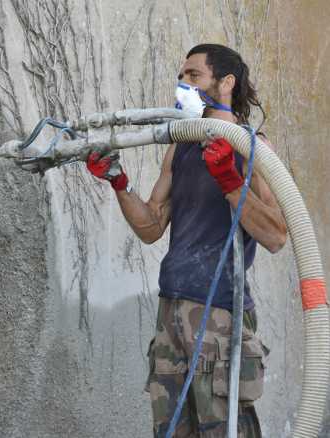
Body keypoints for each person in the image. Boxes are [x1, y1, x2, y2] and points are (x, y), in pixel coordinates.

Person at [86, 44, 287, 437]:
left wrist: (230, 181)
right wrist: (118, 182)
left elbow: (277, 234)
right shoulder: (180, 147)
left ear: (226, 83)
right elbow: (151, 227)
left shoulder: (252, 146)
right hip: (171, 310)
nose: (183, 85)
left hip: (220, 316)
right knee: (171, 429)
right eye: (181, 77)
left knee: (223, 428)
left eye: (193, 76)